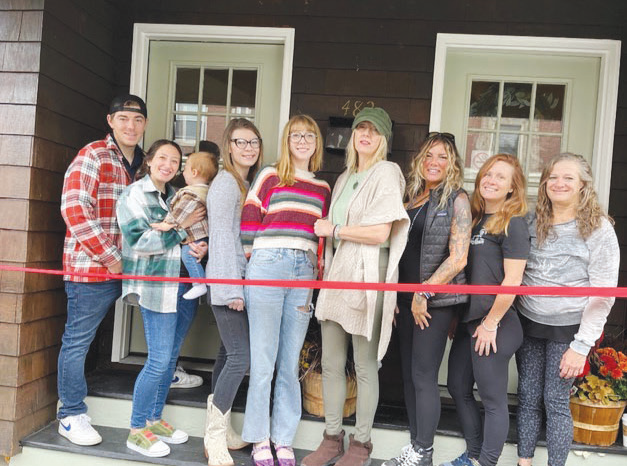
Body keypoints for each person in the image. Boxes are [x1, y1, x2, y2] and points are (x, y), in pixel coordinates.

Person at [303, 107, 409, 466]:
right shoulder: (345, 176)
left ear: (384, 139)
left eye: (374, 131)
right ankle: (332, 438)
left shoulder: (387, 172)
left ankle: (361, 444)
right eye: (361, 128)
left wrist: (333, 229)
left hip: (368, 273)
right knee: (332, 362)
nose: (366, 134)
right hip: (339, 273)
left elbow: (381, 232)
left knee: (364, 365)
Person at [515, 153, 620, 466]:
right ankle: (523, 462)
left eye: (568, 178)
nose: (559, 183)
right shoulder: (530, 220)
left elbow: (604, 295)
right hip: (529, 321)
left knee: (555, 401)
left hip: (569, 329)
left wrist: (581, 346)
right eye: (553, 177)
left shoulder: (599, 229)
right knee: (527, 397)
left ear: (583, 185)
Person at [241, 115, 331, 466]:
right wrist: (254, 261)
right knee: (263, 361)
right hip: (268, 263)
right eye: (296, 135)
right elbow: (250, 220)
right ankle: (259, 438)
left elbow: (321, 235)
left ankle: (283, 438)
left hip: (303, 270)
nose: (303, 140)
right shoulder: (269, 175)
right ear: (287, 140)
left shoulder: (322, 188)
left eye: (310, 135)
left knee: (290, 362)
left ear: (317, 142)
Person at [58, 94, 147, 446]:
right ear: (110, 121)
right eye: (123, 118)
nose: (131, 126)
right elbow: (75, 210)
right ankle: (71, 414)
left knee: (160, 325)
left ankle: (165, 374)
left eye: (137, 119)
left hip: (137, 268)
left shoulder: (145, 163)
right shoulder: (93, 154)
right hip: (93, 267)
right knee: (78, 340)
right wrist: (112, 258)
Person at [382, 132, 471, 466]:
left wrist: (424, 292)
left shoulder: (457, 200)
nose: (434, 162)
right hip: (406, 299)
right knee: (409, 375)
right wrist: (397, 294)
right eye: (429, 155)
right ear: (420, 160)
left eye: (443, 157)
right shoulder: (413, 197)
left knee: (423, 375)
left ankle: (424, 451)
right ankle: (415, 448)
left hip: (433, 303)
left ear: (453, 164)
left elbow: (458, 258)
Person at [116, 139, 205, 457]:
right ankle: (136, 430)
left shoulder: (176, 195)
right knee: (157, 360)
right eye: (163, 158)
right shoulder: (134, 195)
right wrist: (181, 231)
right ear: (150, 160)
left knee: (170, 357)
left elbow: (190, 233)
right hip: (157, 287)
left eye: (175, 161)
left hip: (185, 286)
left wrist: (198, 246)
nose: (168, 165)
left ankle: (154, 419)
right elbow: (140, 241)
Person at [442, 154, 530, 466]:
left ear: (512, 188)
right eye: (488, 174)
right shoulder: (476, 218)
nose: (491, 180)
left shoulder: (512, 223)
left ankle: (486, 462)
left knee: (493, 399)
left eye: (500, 177)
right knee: (457, 386)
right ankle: (474, 454)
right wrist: (458, 316)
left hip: (497, 323)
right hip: (470, 320)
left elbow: (513, 280)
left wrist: (491, 323)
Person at [204, 118, 263, 466]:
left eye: (253, 142)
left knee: (227, 354)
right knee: (241, 357)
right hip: (228, 283)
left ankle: (222, 430)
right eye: (241, 142)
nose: (248, 148)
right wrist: (231, 290)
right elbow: (222, 239)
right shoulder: (226, 183)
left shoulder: (245, 183)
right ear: (229, 146)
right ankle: (214, 438)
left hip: (237, 281)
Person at [151, 151, 219, 300]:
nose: (183, 172)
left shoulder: (191, 194)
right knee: (191, 256)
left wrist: (167, 224)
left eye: (185, 168)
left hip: (195, 235)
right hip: (201, 234)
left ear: (194, 172)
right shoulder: (207, 191)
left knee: (188, 255)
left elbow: (180, 212)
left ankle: (199, 283)